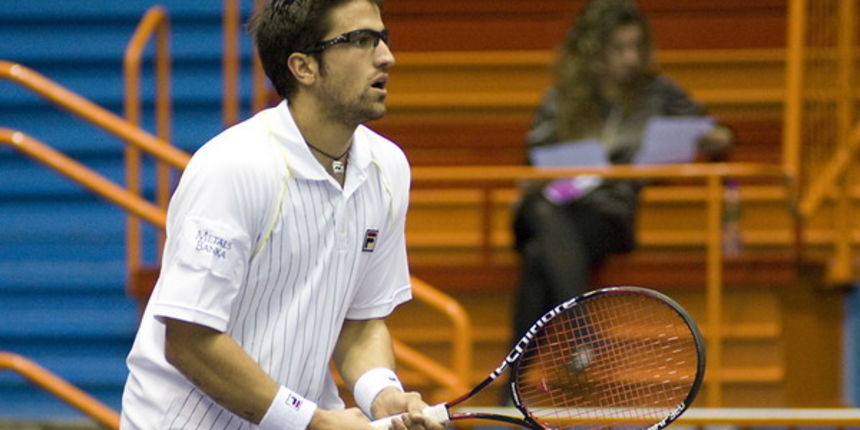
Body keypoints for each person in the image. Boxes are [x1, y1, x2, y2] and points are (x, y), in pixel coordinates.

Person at [120, 1, 443, 429]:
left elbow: (360, 323)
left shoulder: (388, 168)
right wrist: (314, 421)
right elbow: (189, 340)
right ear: (303, 67)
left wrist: (382, 394)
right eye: (361, 41)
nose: (386, 56)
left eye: (382, 38)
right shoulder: (232, 167)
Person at [510, 0, 734, 347]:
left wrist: (708, 136)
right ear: (593, 51)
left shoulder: (657, 93)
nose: (630, 57)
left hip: (607, 214)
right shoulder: (562, 97)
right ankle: (584, 334)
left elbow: (720, 133)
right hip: (556, 203)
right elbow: (533, 163)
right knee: (541, 210)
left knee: (540, 256)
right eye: (619, 48)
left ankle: (518, 382)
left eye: (636, 47)